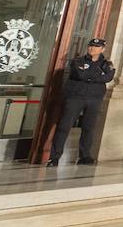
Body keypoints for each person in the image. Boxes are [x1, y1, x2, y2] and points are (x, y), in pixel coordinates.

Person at [48, 38, 115, 166]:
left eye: (96, 46)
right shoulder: (78, 61)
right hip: (75, 97)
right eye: (91, 46)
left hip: (94, 99)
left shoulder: (107, 64)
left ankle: (85, 156)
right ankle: (54, 157)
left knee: (88, 128)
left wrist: (90, 75)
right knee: (64, 126)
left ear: (102, 49)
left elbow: (108, 77)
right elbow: (80, 74)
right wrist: (98, 76)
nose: (92, 48)